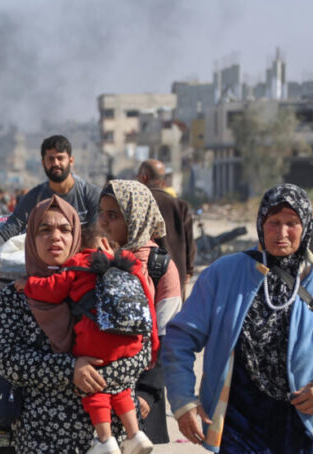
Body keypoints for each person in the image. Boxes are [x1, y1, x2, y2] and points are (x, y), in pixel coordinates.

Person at [161, 184, 313, 453]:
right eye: (274, 222)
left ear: (306, 226)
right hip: (239, 421)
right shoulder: (224, 274)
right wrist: (183, 401)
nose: (282, 233)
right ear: (260, 224)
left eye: (292, 223)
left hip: (307, 421)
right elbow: (180, 339)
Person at [0, 196, 145, 453]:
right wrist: (70, 369)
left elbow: (142, 349)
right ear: (31, 238)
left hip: (113, 437)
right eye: (45, 229)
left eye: (65, 229)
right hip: (43, 436)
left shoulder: (109, 283)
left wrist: (98, 372)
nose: (55, 237)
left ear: (77, 237)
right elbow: (7, 359)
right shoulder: (16, 294)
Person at [96, 179, 182, 445]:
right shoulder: (93, 257)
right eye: (101, 213)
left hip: (141, 390)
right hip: (96, 387)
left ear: (136, 218)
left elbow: (169, 336)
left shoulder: (159, 267)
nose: (103, 222)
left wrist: (148, 391)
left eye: (113, 215)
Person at [0, 135, 100, 251]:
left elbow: (96, 237)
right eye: (51, 159)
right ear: (43, 163)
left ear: (71, 161)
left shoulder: (89, 194)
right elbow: (8, 230)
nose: (56, 163)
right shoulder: (35, 197)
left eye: (60, 158)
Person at [137, 159, 195, 298]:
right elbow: (190, 242)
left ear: (144, 177)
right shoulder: (180, 205)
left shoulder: (138, 203)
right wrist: (189, 269)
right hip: (176, 275)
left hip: (144, 276)